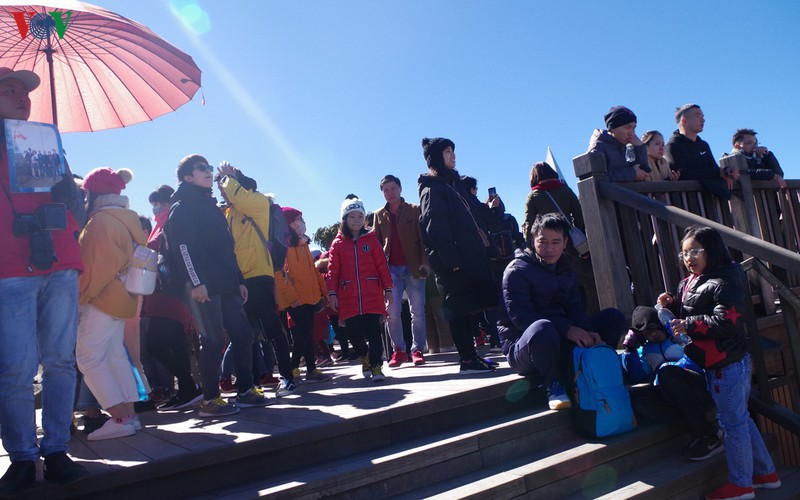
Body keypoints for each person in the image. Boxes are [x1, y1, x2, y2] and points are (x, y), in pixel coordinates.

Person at [0, 67, 88, 494]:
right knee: (16, 369)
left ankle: (55, 449)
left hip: (59, 259)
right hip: (9, 266)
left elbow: (72, 201)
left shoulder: (46, 140)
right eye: (10, 91)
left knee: (59, 361)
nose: (22, 97)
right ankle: (21, 455)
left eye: (26, 92)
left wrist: (68, 186)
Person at [658, 225, 780, 499]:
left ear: (712, 251)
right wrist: (672, 304)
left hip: (728, 364)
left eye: (695, 251)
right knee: (741, 420)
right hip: (716, 361)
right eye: (685, 253)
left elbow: (726, 321)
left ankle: (741, 485)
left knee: (732, 425)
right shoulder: (694, 280)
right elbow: (694, 307)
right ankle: (766, 473)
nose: (688, 257)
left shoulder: (726, 280)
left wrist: (687, 323)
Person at [166, 155, 272, 417]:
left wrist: (238, 281)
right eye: (201, 168)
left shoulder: (211, 205)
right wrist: (196, 282)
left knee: (244, 334)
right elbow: (183, 249)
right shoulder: (181, 207)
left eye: (209, 168)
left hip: (227, 284)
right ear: (187, 177)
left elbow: (227, 249)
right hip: (204, 287)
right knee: (212, 340)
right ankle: (210, 399)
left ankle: (246, 390)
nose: (208, 172)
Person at [499, 213, 626, 410]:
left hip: (559, 338)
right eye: (543, 242)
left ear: (565, 243)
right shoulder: (516, 271)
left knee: (613, 317)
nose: (549, 249)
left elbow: (575, 306)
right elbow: (521, 318)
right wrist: (568, 329)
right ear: (533, 240)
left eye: (556, 242)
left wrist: (587, 330)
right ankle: (554, 385)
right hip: (525, 347)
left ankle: (595, 369)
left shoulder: (565, 266)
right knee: (542, 328)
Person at [215, 161, 298, 398]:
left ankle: (287, 378)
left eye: (226, 185)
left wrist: (229, 176)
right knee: (245, 334)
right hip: (238, 279)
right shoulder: (227, 213)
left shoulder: (260, 203)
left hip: (260, 275)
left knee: (272, 329)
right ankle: (252, 384)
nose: (223, 189)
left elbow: (239, 196)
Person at [76, 167, 146, 440]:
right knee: (115, 356)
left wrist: (80, 298)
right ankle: (129, 416)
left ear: (94, 193)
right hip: (122, 298)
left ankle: (119, 417)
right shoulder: (125, 220)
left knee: (88, 358)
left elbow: (95, 270)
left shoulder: (100, 222)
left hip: (101, 299)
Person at [418, 137, 498, 374]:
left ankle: (471, 358)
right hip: (453, 260)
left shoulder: (454, 183)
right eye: (447, 151)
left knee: (471, 306)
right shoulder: (432, 188)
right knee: (459, 309)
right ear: (436, 157)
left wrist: (492, 209)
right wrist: (450, 258)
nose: (453, 155)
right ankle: (467, 360)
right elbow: (434, 226)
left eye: (453, 151)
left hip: (468, 256)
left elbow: (474, 212)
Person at [621, 306, 721, 461]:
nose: (653, 335)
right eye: (647, 334)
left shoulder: (678, 337)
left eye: (654, 329)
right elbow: (637, 376)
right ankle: (704, 431)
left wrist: (670, 367)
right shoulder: (647, 350)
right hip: (670, 395)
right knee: (635, 397)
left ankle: (707, 435)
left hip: (696, 389)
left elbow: (697, 360)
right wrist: (629, 350)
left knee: (667, 373)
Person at [141, 184, 202, 410]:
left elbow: (178, 254)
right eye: (153, 204)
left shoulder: (172, 223)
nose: (156, 208)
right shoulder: (160, 226)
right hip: (161, 294)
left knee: (156, 345)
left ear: (169, 203)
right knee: (175, 344)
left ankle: (188, 386)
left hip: (170, 293)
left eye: (160, 203)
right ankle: (188, 390)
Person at [327, 195, 394, 382]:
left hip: (372, 294)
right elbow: (333, 271)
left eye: (359, 216)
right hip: (348, 297)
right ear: (344, 219)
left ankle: (377, 366)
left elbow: (382, 266)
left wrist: (388, 289)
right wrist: (332, 293)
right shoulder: (337, 244)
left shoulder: (372, 240)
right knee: (353, 333)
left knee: (374, 331)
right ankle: (363, 356)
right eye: (351, 216)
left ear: (364, 219)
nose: (356, 220)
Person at [524, 162, 599, 315]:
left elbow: (529, 226)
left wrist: (532, 248)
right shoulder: (565, 189)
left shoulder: (534, 196)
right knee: (579, 282)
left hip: (547, 248)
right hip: (570, 244)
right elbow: (580, 216)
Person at [373, 174, 430, 367]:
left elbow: (424, 239)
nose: (390, 193)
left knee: (418, 311)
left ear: (400, 189)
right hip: (391, 270)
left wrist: (425, 262)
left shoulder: (415, 210)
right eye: (386, 190)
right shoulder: (379, 215)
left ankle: (418, 349)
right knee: (392, 311)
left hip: (414, 267)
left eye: (393, 188)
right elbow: (377, 245)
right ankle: (399, 350)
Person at [276, 206, 332, 383]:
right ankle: (293, 367)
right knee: (304, 332)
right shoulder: (282, 246)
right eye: (298, 219)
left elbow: (314, 272)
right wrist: (292, 297)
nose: (302, 223)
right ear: (289, 223)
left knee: (307, 333)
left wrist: (324, 292)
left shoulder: (303, 244)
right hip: (296, 299)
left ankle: (311, 369)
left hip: (310, 296)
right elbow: (281, 275)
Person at [664, 104, 737, 199]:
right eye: (698, 116)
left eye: (703, 117)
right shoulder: (672, 146)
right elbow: (683, 174)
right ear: (684, 121)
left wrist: (726, 171)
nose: (703, 120)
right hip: (687, 201)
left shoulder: (704, 145)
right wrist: (717, 172)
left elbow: (713, 168)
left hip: (712, 202)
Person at [587, 106, 650, 182]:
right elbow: (597, 178)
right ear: (612, 128)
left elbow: (643, 170)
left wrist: (639, 146)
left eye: (634, 128)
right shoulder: (598, 147)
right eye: (628, 127)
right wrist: (632, 173)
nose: (632, 133)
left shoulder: (626, 147)